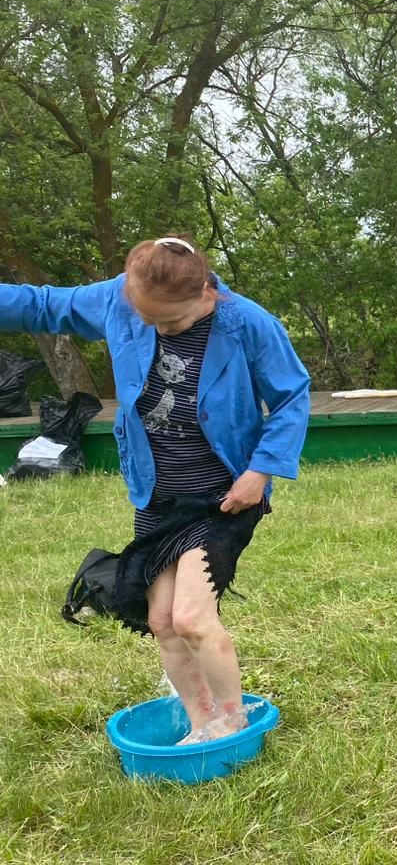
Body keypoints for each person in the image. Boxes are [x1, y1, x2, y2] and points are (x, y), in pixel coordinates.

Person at [0, 235, 311, 741]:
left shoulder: (247, 323)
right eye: (146, 319)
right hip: (157, 496)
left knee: (190, 618)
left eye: (171, 322)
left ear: (207, 294)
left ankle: (234, 724)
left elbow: (293, 397)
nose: (156, 329)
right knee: (162, 622)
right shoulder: (121, 298)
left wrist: (261, 471)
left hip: (222, 497)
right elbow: (41, 304)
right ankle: (200, 723)